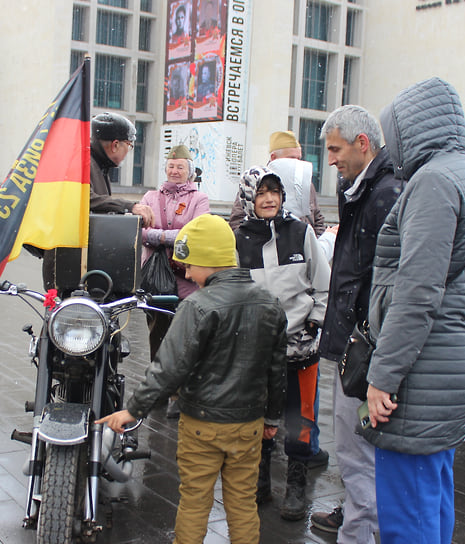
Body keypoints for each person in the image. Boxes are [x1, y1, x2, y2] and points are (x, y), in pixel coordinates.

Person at [97, 214, 288, 544]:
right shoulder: (270, 304)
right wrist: (271, 416)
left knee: (195, 502)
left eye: (188, 263)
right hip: (248, 424)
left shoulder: (197, 306)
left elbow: (168, 368)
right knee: (243, 504)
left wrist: (133, 410)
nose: (184, 272)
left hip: (202, 423)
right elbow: (276, 370)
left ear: (209, 260)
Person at [361, 77, 465, 543]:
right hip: (448, 363)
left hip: (420, 373)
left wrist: (383, 375)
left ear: (410, 129)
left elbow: (417, 293)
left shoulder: (434, 181)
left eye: (391, 134)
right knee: (432, 501)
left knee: (407, 515)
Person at [308, 105, 403, 541]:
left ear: (362, 143)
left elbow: (387, 284)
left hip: (362, 351)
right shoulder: (363, 189)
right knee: (356, 456)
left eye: (335, 149)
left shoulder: (383, 195)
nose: (330, 159)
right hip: (357, 346)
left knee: (357, 456)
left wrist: (371, 352)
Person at [235, 166, 330, 520]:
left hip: (301, 347)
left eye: (274, 191)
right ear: (249, 198)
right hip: (258, 351)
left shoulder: (300, 232)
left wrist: (315, 321)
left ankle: (296, 485)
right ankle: (259, 480)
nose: (269, 199)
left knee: (301, 418)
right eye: (261, 193)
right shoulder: (239, 239)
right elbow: (233, 293)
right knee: (260, 417)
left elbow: (323, 283)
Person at [42, 112, 154, 289]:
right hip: (70, 266)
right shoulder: (81, 161)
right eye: (129, 146)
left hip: (85, 264)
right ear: (116, 145)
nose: (127, 152)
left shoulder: (98, 164)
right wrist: (129, 206)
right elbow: (84, 199)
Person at [139, 145, 210, 418]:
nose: (174, 170)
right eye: (171, 165)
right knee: (157, 334)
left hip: (185, 278)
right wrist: (170, 235)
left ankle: (180, 393)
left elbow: (194, 232)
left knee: (185, 337)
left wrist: (158, 235)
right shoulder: (150, 196)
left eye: (180, 166)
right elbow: (140, 230)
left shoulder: (199, 198)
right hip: (155, 279)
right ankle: (158, 388)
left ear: (189, 171)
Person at [228, 131, 324, 232]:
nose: (296, 163)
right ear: (273, 158)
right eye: (291, 158)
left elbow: (318, 220)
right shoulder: (254, 183)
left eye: (299, 158)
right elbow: (236, 222)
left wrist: (312, 242)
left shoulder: (306, 184)